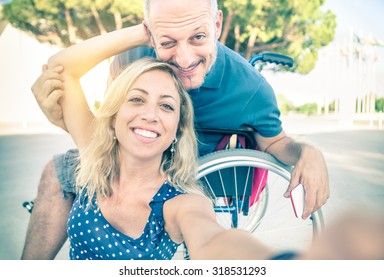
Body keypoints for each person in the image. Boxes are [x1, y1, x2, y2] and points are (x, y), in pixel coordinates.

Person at [23, 0, 329, 259]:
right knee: (58, 170)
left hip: (187, 172)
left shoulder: (251, 88)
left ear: (217, 24)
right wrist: (145, 33)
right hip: (122, 159)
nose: (183, 59)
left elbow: (274, 142)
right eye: (168, 42)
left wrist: (307, 151)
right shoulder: (130, 58)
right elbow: (89, 98)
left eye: (197, 37)